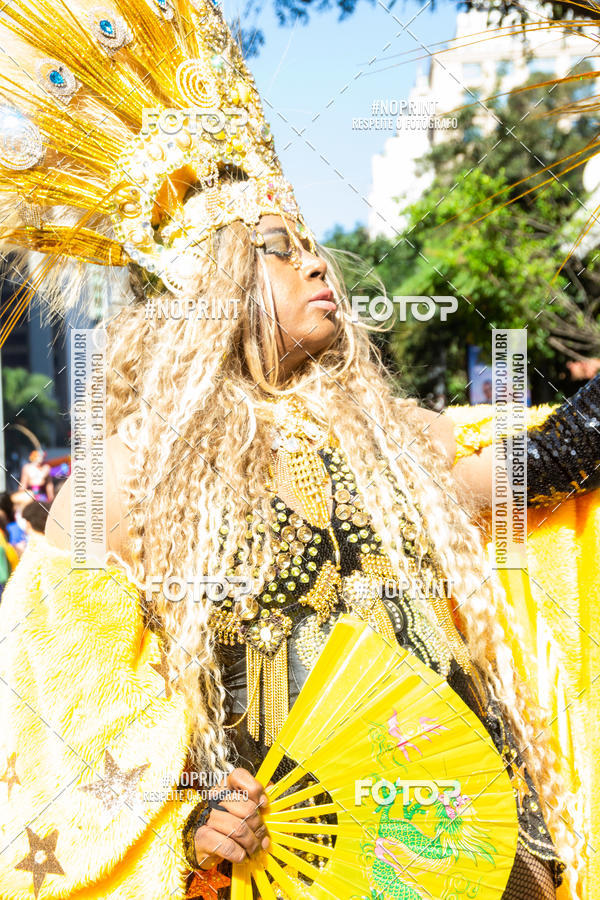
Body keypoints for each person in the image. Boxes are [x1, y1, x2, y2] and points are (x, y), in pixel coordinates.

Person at [0, 2, 584, 899]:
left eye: (313, 248)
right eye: (280, 251)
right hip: (309, 862)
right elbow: (66, 698)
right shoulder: (132, 470)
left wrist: (583, 436)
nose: (320, 266)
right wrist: (190, 817)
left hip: (482, 839)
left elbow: (497, 494)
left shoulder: (381, 426)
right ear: (214, 282)